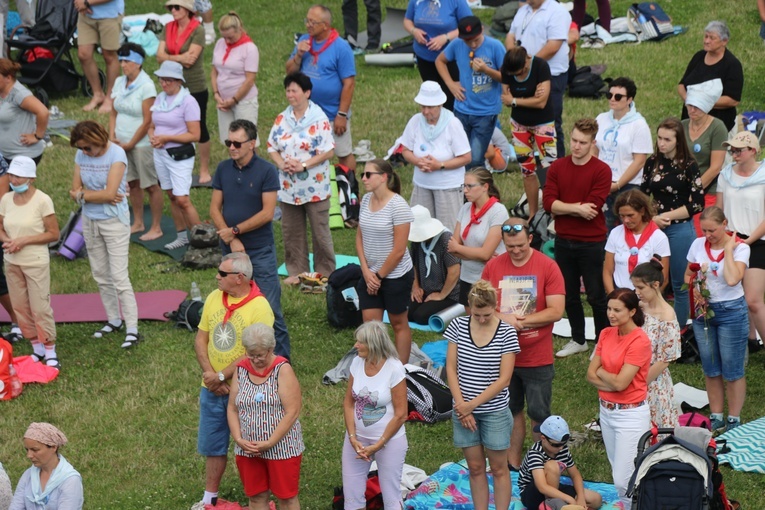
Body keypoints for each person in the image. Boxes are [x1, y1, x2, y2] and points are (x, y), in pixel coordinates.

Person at [481, 218, 565, 470]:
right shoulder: (493, 267)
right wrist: (501, 316)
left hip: (536, 356)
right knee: (510, 411)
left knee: (539, 414)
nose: (515, 251)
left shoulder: (547, 266)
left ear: (530, 239)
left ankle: (542, 467)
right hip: (502, 355)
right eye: (510, 247)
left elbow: (556, 311)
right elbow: (478, 306)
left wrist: (521, 322)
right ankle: (513, 464)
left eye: (520, 245)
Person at [194, 252, 275, 508]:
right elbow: (201, 339)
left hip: (248, 390)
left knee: (251, 444)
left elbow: (253, 354)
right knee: (213, 443)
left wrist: (220, 376)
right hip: (213, 388)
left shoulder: (260, 307)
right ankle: (209, 498)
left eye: (222, 273)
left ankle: (260, 496)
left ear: (240, 278)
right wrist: (211, 377)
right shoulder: (213, 297)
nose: (216, 276)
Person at [210, 119, 292, 359]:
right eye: (228, 142)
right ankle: (242, 359)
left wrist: (234, 231)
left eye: (237, 143)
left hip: (260, 250)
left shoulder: (266, 170)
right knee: (234, 304)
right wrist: (230, 237)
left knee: (270, 307)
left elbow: (268, 213)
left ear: (252, 144)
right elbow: (215, 209)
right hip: (231, 254)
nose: (232, 147)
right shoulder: (223, 169)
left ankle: (281, 363)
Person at [444, 280, 519, 510]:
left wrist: (470, 406)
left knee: (498, 468)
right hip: (463, 409)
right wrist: (461, 404)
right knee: (475, 468)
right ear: (469, 307)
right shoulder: (457, 326)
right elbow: (451, 368)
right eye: (477, 314)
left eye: (487, 314)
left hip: (494, 411)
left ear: (495, 306)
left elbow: (504, 379)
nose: (482, 319)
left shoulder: (506, 332)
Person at [543, 118, 611, 357]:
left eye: (583, 142)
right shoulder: (558, 167)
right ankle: (578, 338)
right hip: (563, 240)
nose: (577, 146)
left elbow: (592, 209)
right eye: (573, 140)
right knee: (568, 293)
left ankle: (603, 343)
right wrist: (576, 208)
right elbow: (548, 203)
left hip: (591, 242)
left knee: (596, 295)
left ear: (593, 143)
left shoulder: (602, 170)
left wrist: (564, 207)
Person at [69, 120, 140, 349]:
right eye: (81, 149)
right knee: (100, 273)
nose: (84, 152)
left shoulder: (116, 154)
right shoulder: (81, 156)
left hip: (114, 221)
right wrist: (87, 196)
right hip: (90, 220)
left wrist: (84, 195)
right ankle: (113, 320)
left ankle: (132, 328)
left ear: (98, 140)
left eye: (87, 148)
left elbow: (110, 194)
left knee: (119, 276)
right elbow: (74, 190)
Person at [267, 72, 336, 285]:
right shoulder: (282, 119)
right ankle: (297, 271)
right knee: (291, 232)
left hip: (314, 187)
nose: (290, 95)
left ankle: (324, 273)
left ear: (307, 93)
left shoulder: (319, 119)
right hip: (288, 187)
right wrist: (281, 163)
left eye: (294, 90)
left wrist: (304, 165)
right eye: (288, 90)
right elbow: (272, 146)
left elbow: (328, 151)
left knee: (320, 232)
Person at [586, 288, 652, 510]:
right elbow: (589, 374)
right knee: (618, 470)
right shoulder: (606, 333)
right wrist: (610, 379)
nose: (611, 314)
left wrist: (603, 372)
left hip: (630, 416)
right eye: (609, 309)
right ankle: (631, 505)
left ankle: (636, 505)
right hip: (606, 412)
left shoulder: (640, 341)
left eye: (617, 310)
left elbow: (621, 383)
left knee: (624, 479)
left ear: (632, 311)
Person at [685, 206, 749, 432]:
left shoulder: (741, 248)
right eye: (704, 230)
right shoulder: (697, 245)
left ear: (725, 224)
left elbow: (733, 279)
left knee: (732, 370)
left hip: (731, 311)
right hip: (705, 312)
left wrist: (729, 250)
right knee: (711, 367)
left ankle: (733, 418)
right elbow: (687, 275)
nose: (707, 235)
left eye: (712, 230)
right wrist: (695, 289)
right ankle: (716, 415)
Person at [227, 323, 304, 510]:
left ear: (271, 349)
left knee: (286, 497)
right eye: (251, 354)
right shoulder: (241, 369)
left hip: (282, 448)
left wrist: (270, 442)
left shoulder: (282, 369)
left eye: (260, 355)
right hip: (248, 448)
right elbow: (232, 408)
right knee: (255, 497)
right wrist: (238, 439)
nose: (255, 360)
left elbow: (292, 411)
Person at [641, 117, 704, 327]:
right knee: (649, 280)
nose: (662, 143)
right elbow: (643, 195)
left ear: (678, 140)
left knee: (679, 283)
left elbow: (697, 203)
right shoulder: (652, 161)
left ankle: (677, 333)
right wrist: (652, 218)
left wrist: (665, 217)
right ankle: (651, 326)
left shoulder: (689, 165)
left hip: (680, 228)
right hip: (655, 226)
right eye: (659, 138)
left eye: (667, 139)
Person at [0, 157, 59, 369]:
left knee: (40, 307)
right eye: (12, 176)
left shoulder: (42, 200)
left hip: (35, 261)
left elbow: (53, 233)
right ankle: (37, 347)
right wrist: (8, 241)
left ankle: (50, 349)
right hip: (12, 261)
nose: (14, 180)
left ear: (31, 179)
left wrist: (24, 240)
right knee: (20, 307)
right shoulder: (6, 199)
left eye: (18, 176)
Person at [342, 321, 408, 509]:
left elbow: (401, 414)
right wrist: (353, 437)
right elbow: (348, 403)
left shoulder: (394, 368)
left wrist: (378, 445)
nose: (356, 345)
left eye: (360, 342)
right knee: (352, 497)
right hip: (357, 440)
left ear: (374, 344)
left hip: (389, 441)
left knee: (391, 497)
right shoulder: (356, 362)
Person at [286, 5, 357, 173]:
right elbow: (290, 72)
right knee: (309, 153)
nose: (308, 25)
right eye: (307, 21)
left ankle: (351, 193)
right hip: (306, 114)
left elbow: (349, 83)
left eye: (313, 22)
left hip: (332, 113)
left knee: (343, 153)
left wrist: (342, 114)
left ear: (325, 25)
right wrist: (299, 55)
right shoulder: (304, 41)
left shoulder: (341, 47)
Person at [356, 159, 414, 363]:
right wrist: (366, 271)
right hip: (370, 274)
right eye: (363, 174)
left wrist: (378, 277)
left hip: (395, 275)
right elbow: (359, 238)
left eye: (368, 174)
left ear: (383, 177)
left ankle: (402, 370)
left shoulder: (398, 206)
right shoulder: (365, 200)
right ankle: (374, 367)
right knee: (370, 326)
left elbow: (399, 251)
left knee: (398, 323)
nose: (363, 178)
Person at [716, 132, 765, 372]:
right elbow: (719, 212)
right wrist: (725, 239)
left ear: (753, 151)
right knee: (736, 295)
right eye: (732, 150)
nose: (734, 154)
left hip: (758, 241)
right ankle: (749, 339)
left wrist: (747, 241)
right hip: (732, 240)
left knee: (753, 300)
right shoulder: (725, 175)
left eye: (739, 150)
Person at [109, 43, 163, 242]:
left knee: (150, 185)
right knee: (132, 183)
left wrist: (131, 143)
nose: (123, 65)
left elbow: (148, 120)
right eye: (121, 61)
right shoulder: (118, 82)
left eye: (127, 61)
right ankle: (138, 222)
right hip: (121, 143)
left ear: (138, 63)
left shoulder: (147, 86)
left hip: (141, 145)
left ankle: (156, 226)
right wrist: (112, 136)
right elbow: (113, 112)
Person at [436, 16, 506, 170]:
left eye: (475, 39)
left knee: (475, 159)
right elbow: (440, 61)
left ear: (482, 30)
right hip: (461, 110)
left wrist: (486, 70)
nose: (472, 44)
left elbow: (506, 77)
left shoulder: (495, 46)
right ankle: (463, 189)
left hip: (486, 113)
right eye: (468, 41)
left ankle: (478, 189)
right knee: (459, 154)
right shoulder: (457, 44)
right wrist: (450, 84)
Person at [400, 81, 471, 232]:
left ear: (440, 105)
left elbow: (466, 157)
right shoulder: (415, 121)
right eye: (422, 106)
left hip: (448, 187)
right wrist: (418, 162)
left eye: (430, 107)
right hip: (422, 185)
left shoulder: (453, 123)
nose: (425, 112)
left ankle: (446, 257)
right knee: (419, 229)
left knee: (446, 232)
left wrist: (440, 165)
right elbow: (405, 149)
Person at [148, 60, 203, 251]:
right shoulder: (159, 99)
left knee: (182, 199)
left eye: (168, 80)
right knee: (171, 195)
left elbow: (195, 134)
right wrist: (153, 137)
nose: (163, 84)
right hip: (160, 153)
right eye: (161, 80)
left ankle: (201, 238)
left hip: (180, 156)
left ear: (179, 81)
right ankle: (182, 236)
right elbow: (152, 125)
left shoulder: (189, 102)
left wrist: (166, 138)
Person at [505, 0, 571, 158]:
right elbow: (510, 35)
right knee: (525, 117)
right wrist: (514, 60)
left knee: (550, 123)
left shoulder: (557, 12)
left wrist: (528, 65)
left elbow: (553, 46)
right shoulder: (523, 11)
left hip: (550, 75)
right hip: (523, 73)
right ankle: (531, 159)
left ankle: (556, 165)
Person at [158, 0, 212, 183]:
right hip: (172, 85)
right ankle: (176, 163)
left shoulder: (198, 29)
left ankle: (204, 169)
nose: (172, 10)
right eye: (170, 7)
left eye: (176, 7)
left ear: (188, 10)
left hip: (194, 84)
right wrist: (180, 56)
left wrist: (169, 58)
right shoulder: (168, 27)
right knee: (174, 122)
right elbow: (159, 56)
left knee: (200, 126)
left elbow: (192, 60)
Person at [500, 46, 556, 220]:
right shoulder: (507, 68)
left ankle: (551, 213)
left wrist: (516, 100)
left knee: (548, 169)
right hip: (519, 125)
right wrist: (527, 99)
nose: (515, 76)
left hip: (543, 123)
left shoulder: (540, 66)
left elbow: (541, 103)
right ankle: (532, 215)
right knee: (527, 171)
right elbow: (506, 100)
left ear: (525, 63)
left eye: (518, 73)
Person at [593, 77, 653, 231]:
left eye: (618, 96)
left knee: (626, 229)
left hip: (628, 185)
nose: (612, 99)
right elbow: (595, 149)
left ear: (630, 99)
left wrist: (617, 185)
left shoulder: (639, 125)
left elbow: (639, 161)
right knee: (601, 228)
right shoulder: (601, 119)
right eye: (610, 95)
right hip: (601, 182)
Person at [631, 258, 681, 428]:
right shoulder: (640, 308)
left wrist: (639, 383)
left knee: (654, 428)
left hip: (652, 381)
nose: (637, 292)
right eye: (635, 287)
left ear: (655, 285)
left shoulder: (667, 315)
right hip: (632, 371)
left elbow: (665, 360)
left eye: (641, 288)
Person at [449, 168, 508, 308]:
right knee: (471, 323)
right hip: (467, 276)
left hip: (489, 277)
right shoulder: (465, 208)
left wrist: (462, 249)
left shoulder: (498, 211)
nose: (465, 190)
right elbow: (452, 248)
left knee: (490, 320)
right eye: (464, 186)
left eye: (470, 186)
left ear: (485, 187)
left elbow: (485, 253)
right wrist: (479, 255)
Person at [517, 416, 603, 510]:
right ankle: (552, 505)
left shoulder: (562, 449)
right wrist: (569, 498)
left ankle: (559, 505)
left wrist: (581, 497)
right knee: (552, 466)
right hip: (532, 493)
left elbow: (575, 475)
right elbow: (542, 486)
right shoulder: (535, 453)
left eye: (564, 444)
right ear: (543, 438)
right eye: (556, 445)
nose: (561, 448)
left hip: (553, 488)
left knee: (596, 499)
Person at [403, 0, 472, 112]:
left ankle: (453, 121)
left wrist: (446, 37)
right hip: (424, 56)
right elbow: (407, 20)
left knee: (452, 94)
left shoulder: (456, 2)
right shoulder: (415, 1)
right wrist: (414, 30)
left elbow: (469, 25)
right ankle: (433, 120)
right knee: (431, 93)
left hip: (451, 57)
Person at [678, 21, 743, 133]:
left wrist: (701, 102)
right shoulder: (699, 57)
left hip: (717, 127)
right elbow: (681, 85)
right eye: (706, 36)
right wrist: (690, 101)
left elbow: (733, 100)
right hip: (690, 123)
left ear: (724, 41)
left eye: (712, 38)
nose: (706, 41)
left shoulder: (732, 65)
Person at [681, 79, 727, 235]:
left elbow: (715, 167)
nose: (692, 110)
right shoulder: (682, 125)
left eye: (697, 107)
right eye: (689, 105)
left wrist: (693, 191)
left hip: (706, 190)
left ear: (706, 107)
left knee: (700, 235)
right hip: (682, 189)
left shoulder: (717, 127)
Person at [603, 189, 670, 295]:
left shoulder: (658, 237)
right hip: (620, 294)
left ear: (642, 211)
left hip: (647, 296)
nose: (626, 220)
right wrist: (613, 297)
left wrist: (648, 301)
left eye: (630, 215)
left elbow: (663, 278)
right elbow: (607, 271)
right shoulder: (615, 233)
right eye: (622, 216)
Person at [211, 12, 260, 147]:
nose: (227, 41)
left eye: (230, 37)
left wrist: (234, 100)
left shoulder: (250, 49)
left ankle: (252, 167)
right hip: (223, 100)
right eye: (224, 37)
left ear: (239, 30)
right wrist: (216, 94)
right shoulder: (220, 43)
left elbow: (250, 80)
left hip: (243, 100)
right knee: (230, 140)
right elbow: (214, 71)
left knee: (246, 141)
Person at [10, 423, 83, 510]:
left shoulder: (70, 480)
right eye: (27, 450)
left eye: (35, 450)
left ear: (53, 447)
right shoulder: (28, 475)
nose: (29, 455)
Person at [408, 205, 460, 326]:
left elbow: (454, 271)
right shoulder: (416, 241)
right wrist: (415, 287)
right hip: (426, 289)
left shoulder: (445, 239)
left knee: (420, 316)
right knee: (407, 313)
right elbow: (413, 264)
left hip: (449, 292)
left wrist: (441, 295)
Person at [76, 0, 123, 114]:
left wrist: (87, 2)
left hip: (109, 15)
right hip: (86, 14)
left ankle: (111, 97)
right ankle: (98, 94)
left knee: (109, 56)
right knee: (84, 54)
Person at [0, 59, 48, 164]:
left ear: (8, 78)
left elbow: (43, 112)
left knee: (13, 181)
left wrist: (37, 136)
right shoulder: (1, 92)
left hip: (22, 156)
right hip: (5, 155)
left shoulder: (19, 94)